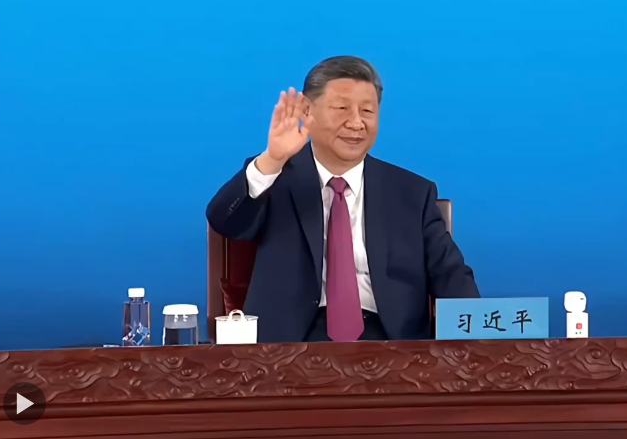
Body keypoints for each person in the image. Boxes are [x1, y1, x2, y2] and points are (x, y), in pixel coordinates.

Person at [206, 55, 480, 343]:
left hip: (392, 344)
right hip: (288, 346)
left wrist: (477, 341)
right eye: (342, 109)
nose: (356, 123)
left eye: (367, 111)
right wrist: (272, 160)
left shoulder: (412, 193)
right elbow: (224, 221)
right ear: (307, 110)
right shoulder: (274, 178)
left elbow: (452, 276)